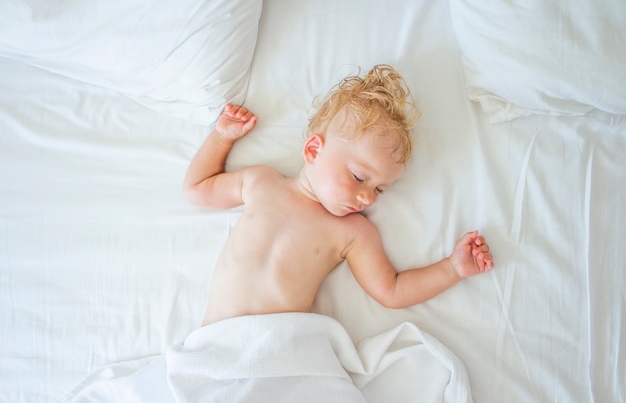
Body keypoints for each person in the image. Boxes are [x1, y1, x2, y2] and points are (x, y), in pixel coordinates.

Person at [183, 65, 493, 326]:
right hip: (216, 340)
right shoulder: (261, 182)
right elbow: (198, 189)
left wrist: (452, 269)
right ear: (314, 150)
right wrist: (221, 136)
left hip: (276, 345)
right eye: (359, 177)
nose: (368, 198)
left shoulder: (353, 232)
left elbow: (392, 290)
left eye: (379, 189)